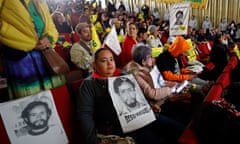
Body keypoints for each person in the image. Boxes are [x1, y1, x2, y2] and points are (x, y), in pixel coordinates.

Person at [77, 48, 185, 144]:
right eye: (103, 61)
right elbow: (85, 113)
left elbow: (138, 96)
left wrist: (148, 106)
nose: (109, 64)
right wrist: (93, 140)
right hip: (127, 129)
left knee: (181, 131)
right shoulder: (89, 84)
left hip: (146, 117)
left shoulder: (123, 75)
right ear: (94, 65)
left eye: (111, 59)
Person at [0, 0, 65, 99]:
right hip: (20, 58)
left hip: (46, 56)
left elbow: (51, 26)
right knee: (31, 103)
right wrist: (31, 43)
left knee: (56, 98)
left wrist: (49, 38)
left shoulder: (40, 2)